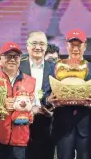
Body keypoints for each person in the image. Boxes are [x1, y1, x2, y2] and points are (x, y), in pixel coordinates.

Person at [45, 29, 91, 159]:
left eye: (79, 45)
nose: (75, 48)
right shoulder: (55, 67)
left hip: (87, 127)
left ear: (85, 45)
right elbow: (45, 95)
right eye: (72, 45)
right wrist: (49, 99)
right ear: (66, 45)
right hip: (62, 126)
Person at [0, 42, 36, 159]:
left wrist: (32, 112)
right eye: (8, 56)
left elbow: (35, 105)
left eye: (16, 56)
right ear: (0, 58)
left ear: (20, 59)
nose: (12, 60)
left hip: (19, 139)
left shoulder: (30, 81)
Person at [19, 31, 55, 159]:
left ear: (46, 46)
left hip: (47, 120)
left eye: (42, 44)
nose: (38, 47)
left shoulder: (55, 68)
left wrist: (52, 104)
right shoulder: (18, 66)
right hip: (21, 121)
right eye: (34, 43)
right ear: (27, 46)